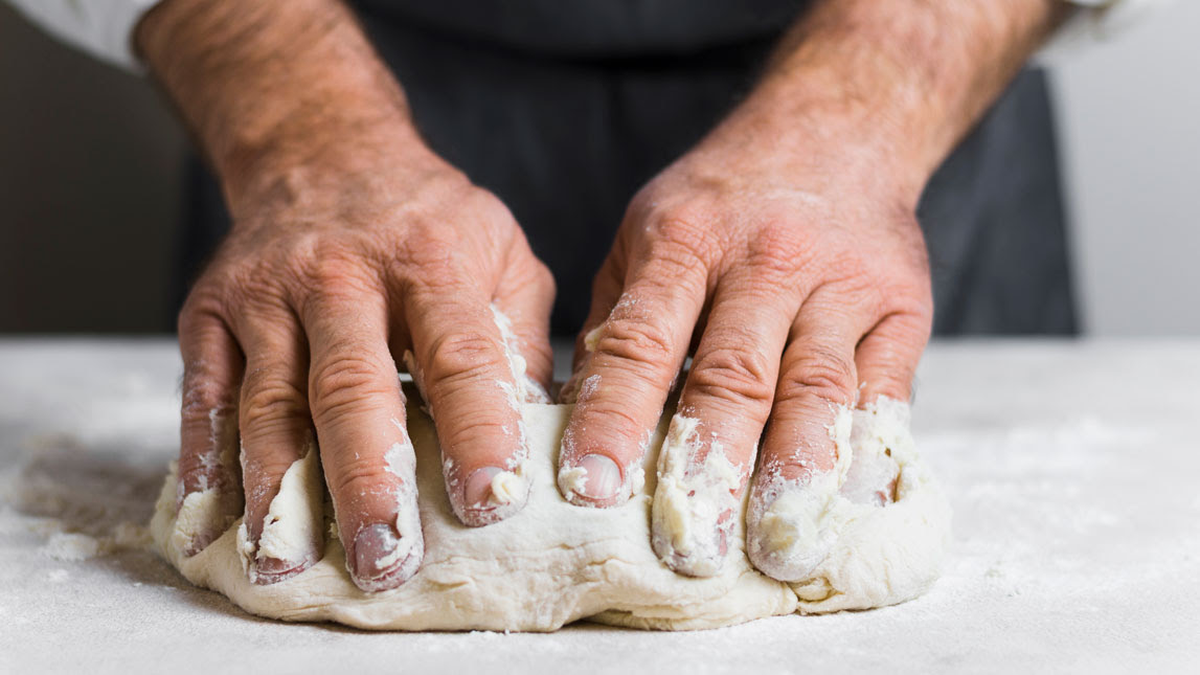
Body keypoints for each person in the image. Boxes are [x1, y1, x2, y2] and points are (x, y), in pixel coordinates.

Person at [6, 0, 1150, 591]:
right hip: (329, 86)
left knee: (821, 479)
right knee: (324, 469)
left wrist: (858, 119)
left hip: (901, 102)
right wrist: (301, 132)